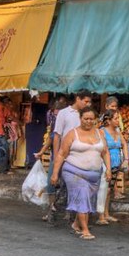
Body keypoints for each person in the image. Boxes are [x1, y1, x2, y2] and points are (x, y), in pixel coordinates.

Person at [50, 106, 111, 240]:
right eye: (85, 119)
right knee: (82, 196)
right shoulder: (72, 134)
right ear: (80, 118)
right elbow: (61, 154)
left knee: (87, 200)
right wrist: (55, 173)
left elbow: (105, 152)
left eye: (91, 119)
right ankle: (85, 230)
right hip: (73, 171)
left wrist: (109, 170)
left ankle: (76, 224)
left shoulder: (100, 133)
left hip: (94, 174)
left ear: (95, 120)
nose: (88, 121)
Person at [43, 93, 89, 224]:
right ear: (78, 99)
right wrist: (57, 155)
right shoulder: (64, 113)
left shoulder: (85, 116)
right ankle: (51, 209)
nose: (87, 104)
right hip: (62, 154)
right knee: (52, 182)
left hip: (77, 156)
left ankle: (70, 213)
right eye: (85, 101)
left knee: (72, 185)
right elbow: (57, 135)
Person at [98, 97, 129, 226]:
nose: (118, 121)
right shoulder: (102, 132)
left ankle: (106, 213)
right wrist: (108, 167)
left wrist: (126, 159)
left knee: (109, 190)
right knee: (103, 190)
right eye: (116, 119)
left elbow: (124, 144)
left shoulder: (117, 131)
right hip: (105, 164)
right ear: (109, 120)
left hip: (116, 163)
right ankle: (100, 215)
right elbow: (103, 150)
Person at [0, 96, 15, 173]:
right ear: (4, 101)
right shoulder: (4, 108)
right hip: (2, 131)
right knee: (5, 151)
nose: (8, 103)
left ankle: (0, 167)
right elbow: (10, 117)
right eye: (7, 101)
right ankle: (4, 170)